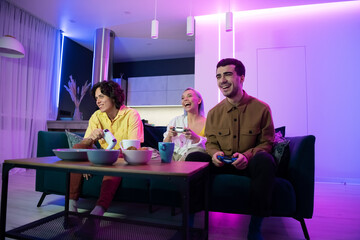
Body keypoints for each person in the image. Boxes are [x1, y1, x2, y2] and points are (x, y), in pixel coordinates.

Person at [205, 58, 275, 240]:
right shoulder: (213, 113)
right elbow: (210, 142)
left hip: (249, 166)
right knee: (194, 158)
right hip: (222, 164)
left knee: (266, 160)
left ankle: (255, 228)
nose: (222, 80)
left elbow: (267, 143)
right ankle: (189, 223)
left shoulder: (262, 108)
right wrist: (214, 154)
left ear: (242, 77)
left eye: (227, 74)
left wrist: (247, 156)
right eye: (218, 76)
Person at [69, 81, 144, 225]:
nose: (98, 101)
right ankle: (72, 209)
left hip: (122, 157)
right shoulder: (96, 116)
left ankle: (96, 214)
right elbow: (84, 145)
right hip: (103, 156)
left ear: (113, 96)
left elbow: (133, 147)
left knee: (115, 157)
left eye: (101, 96)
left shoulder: (131, 114)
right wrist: (91, 138)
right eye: (96, 98)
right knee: (78, 147)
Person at [163, 87, 206, 161]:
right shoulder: (176, 121)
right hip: (174, 156)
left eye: (189, 96)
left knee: (195, 154)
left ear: (199, 101)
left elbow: (210, 147)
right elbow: (164, 147)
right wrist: (169, 136)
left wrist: (195, 138)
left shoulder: (208, 123)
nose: (185, 99)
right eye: (182, 98)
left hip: (192, 158)